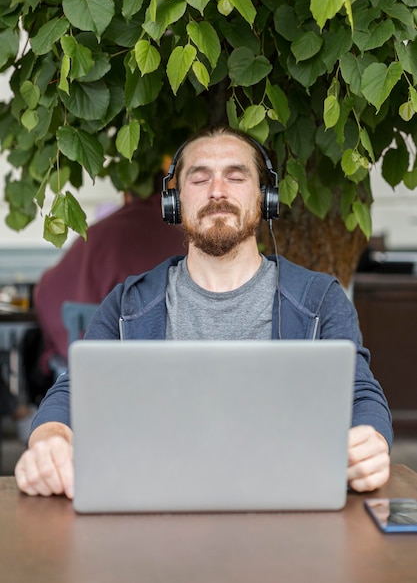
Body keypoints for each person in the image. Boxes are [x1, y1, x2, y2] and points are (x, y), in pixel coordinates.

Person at [14, 125, 393, 499]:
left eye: (235, 176)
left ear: (266, 199)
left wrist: (370, 441)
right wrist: (51, 437)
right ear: (174, 203)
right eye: (199, 179)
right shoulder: (128, 303)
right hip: (155, 504)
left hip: (286, 508)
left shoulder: (319, 299)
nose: (217, 191)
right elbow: (73, 390)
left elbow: (361, 394)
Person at [32, 182, 186, 379]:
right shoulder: (182, 240)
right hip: (164, 372)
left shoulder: (96, 236)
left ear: (125, 195)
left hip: (91, 371)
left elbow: (47, 291)